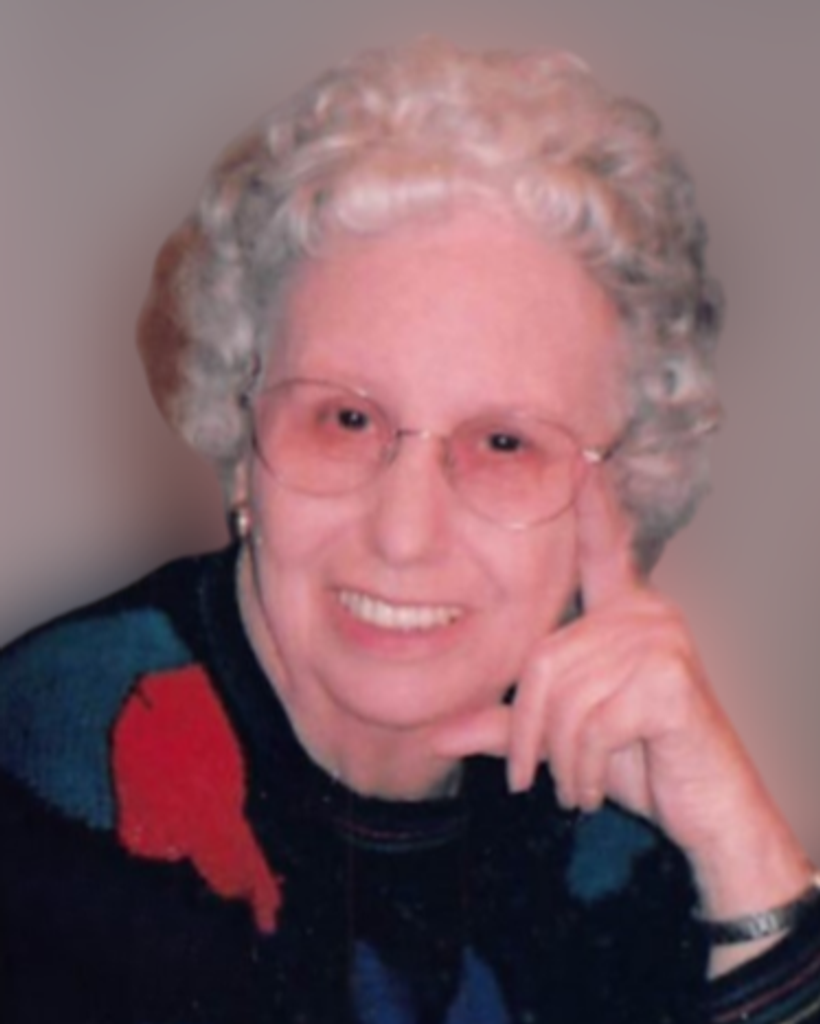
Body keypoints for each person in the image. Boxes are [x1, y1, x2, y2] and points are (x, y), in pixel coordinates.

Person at [1, 35, 818, 1024]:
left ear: (626, 486)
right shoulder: (55, 783)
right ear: (242, 434)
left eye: (504, 442)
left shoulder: (625, 820)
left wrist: (744, 856)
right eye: (345, 419)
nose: (403, 533)